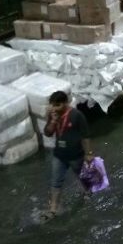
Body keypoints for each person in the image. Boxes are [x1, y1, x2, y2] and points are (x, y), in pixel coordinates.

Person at [42, 91, 92, 220]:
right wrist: (53, 121)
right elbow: (47, 133)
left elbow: (85, 136)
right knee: (55, 181)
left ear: (65, 103)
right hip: (59, 155)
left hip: (76, 155)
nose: (54, 108)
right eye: (52, 105)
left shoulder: (77, 115)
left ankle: (87, 190)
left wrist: (88, 154)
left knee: (81, 175)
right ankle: (53, 209)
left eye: (57, 105)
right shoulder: (53, 115)